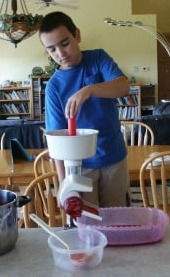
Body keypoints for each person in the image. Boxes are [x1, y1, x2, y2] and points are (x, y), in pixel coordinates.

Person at [39, 11, 130, 209]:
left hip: (114, 159)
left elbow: (123, 86)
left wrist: (89, 90)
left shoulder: (98, 58)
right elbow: (57, 142)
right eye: (52, 49)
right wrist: (65, 185)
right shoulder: (54, 87)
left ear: (77, 35)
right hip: (79, 168)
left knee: (117, 221)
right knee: (88, 225)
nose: (60, 54)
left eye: (65, 43)